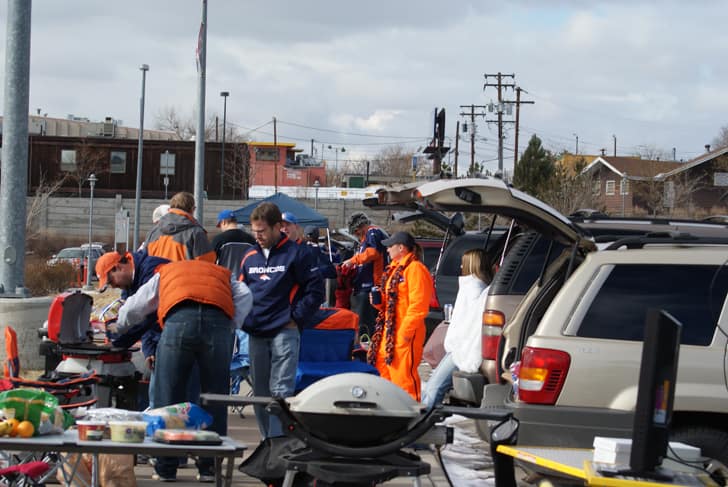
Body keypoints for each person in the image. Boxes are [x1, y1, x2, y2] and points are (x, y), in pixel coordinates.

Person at [115, 259, 252, 482]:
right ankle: (210, 467)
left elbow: (136, 305)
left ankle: (166, 467)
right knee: (214, 394)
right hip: (218, 324)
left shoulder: (166, 272)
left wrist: (120, 326)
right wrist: (232, 323)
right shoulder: (223, 273)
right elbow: (245, 295)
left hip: (179, 321)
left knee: (168, 394)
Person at [239, 202, 324, 439]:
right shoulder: (249, 256)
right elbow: (240, 291)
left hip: (284, 332)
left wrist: (296, 318)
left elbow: (315, 292)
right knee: (260, 393)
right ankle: (268, 443)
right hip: (256, 333)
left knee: (280, 392)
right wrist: (243, 321)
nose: (258, 236)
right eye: (254, 232)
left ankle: (280, 444)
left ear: (278, 227)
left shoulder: (298, 253)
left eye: (263, 231)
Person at [421, 248, 492, 409]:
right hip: (463, 348)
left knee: (434, 387)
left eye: (463, 263)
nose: (460, 267)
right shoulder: (479, 288)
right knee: (434, 386)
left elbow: (465, 323)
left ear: (471, 265)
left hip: (462, 349)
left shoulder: (472, 289)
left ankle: (424, 417)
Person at [367, 231, 432, 401]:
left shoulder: (415, 269)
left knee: (403, 379)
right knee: (383, 373)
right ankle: (389, 412)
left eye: (390, 246)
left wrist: (405, 333)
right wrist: (377, 301)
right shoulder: (394, 270)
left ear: (401, 248)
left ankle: (410, 416)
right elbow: (390, 304)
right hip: (389, 334)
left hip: (404, 334)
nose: (387, 250)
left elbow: (418, 306)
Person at [341, 212, 388, 336]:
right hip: (364, 286)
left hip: (372, 285)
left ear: (362, 227)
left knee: (366, 324)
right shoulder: (365, 239)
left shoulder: (373, 232)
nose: (356, 234)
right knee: (362, 322)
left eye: (356, 231)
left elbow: (373, 253)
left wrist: (353, 261)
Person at [144, 191, 215, 262]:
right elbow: (206, 263)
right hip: (183, 272)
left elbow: (144, 260)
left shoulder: (153, 232)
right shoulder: (196, 233)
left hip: (158, 272)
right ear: (193, 209)